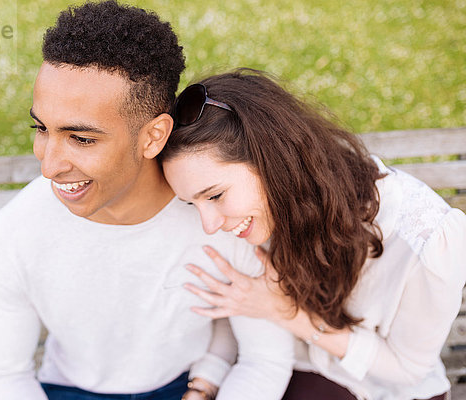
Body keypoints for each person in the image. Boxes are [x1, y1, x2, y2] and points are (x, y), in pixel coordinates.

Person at [0, 3, 295, 400]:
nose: (49, 167)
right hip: (68, 390)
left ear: (153, 136)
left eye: (82, 138)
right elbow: (3, 377)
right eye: (41, 128)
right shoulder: (16, 231)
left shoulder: (223, 218)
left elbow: (264, 358)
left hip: (186, 384)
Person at [160, 68, 466, 400]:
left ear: (271, 160)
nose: (209, 224)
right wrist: (205, 385)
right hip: (293, 369)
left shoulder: (426, 239)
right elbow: (239, 303)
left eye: (215, 195)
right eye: (192, 203)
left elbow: (407, 370)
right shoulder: (259, 214)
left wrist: (287, 314)